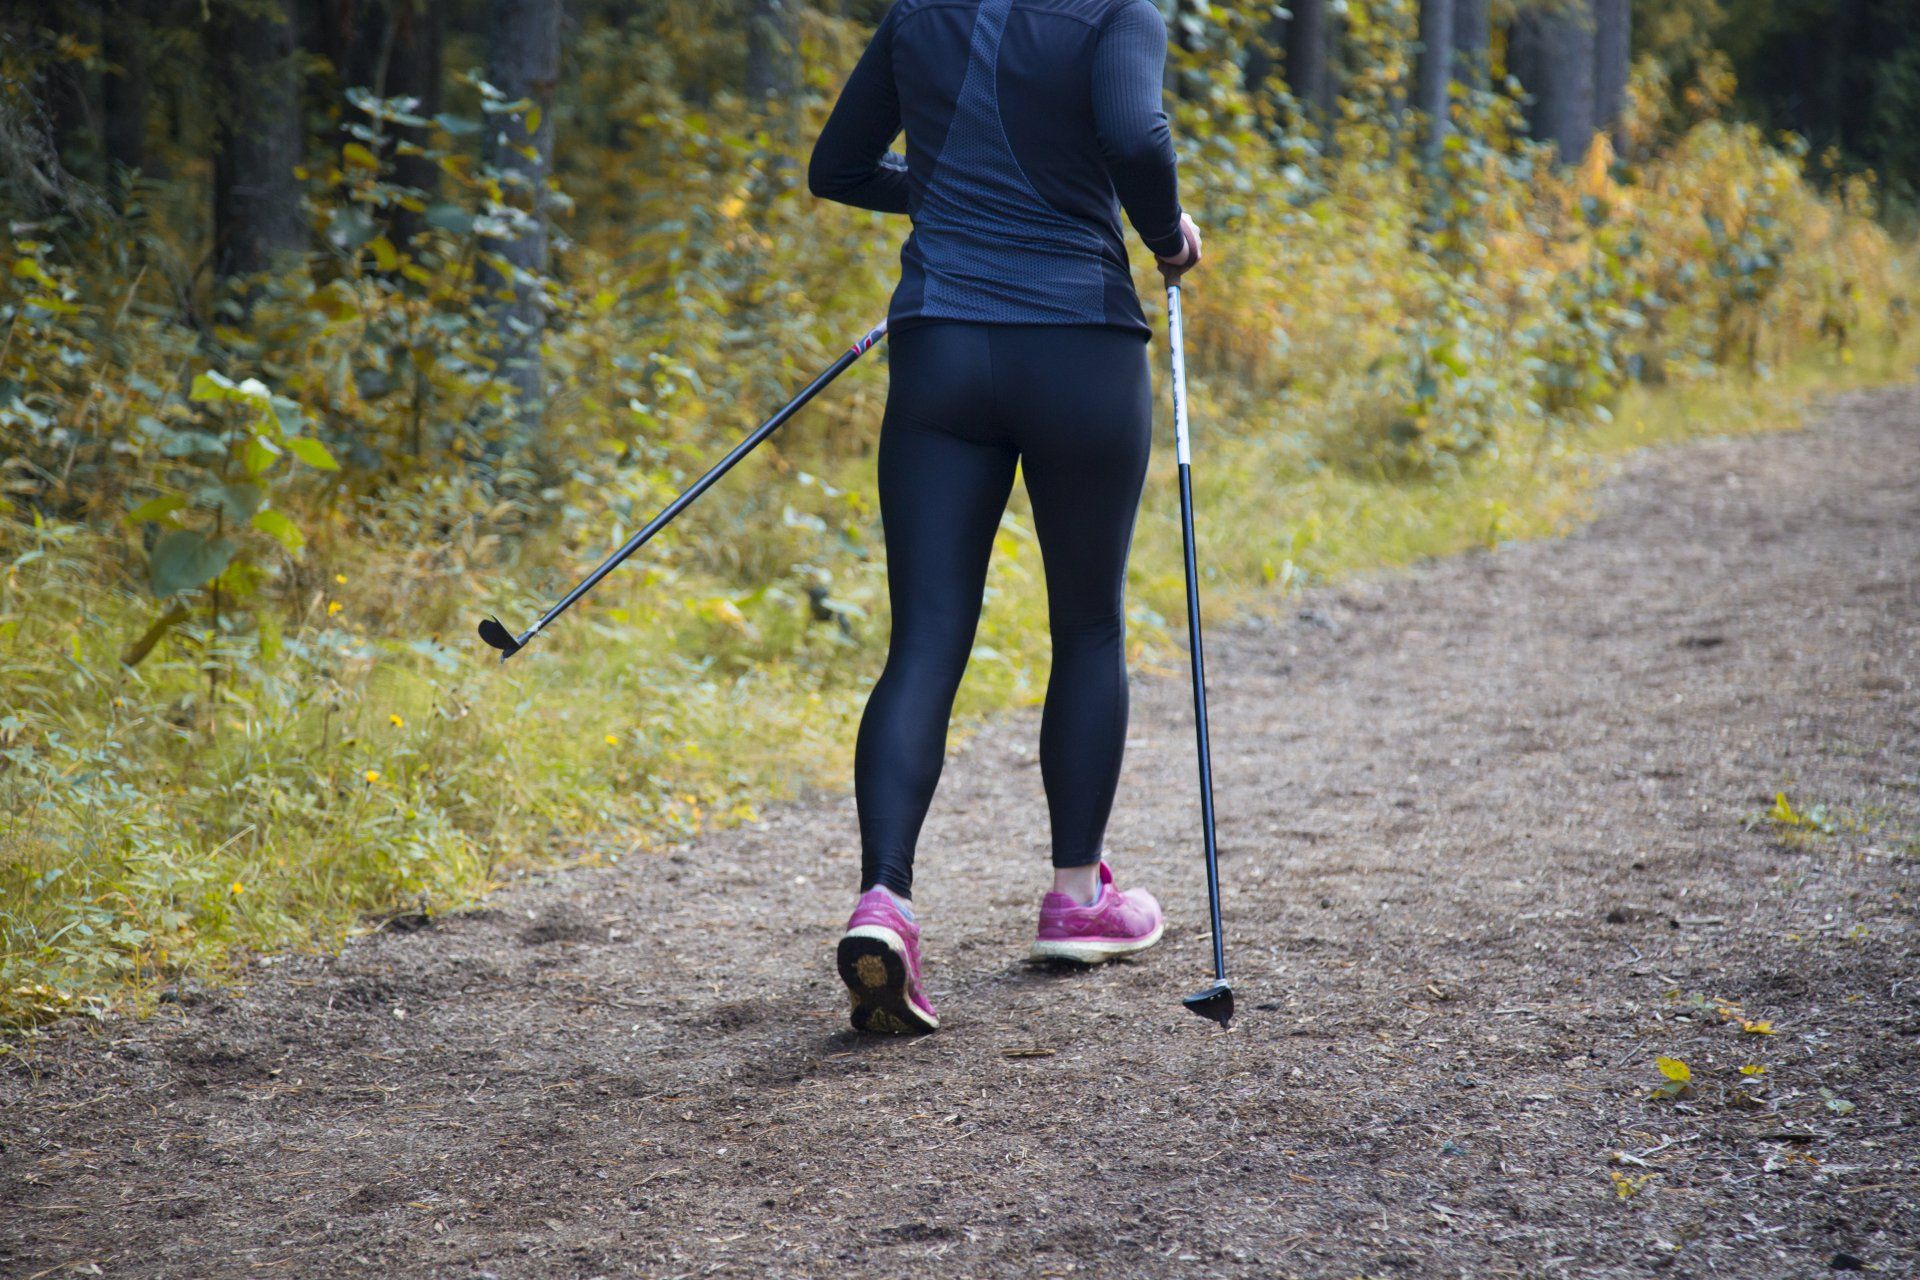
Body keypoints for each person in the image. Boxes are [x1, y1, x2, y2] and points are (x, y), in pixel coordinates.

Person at [809, 0, 1203, 1034]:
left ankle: (884, 902)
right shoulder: (1115, 11)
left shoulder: (919, 13)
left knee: (924, 639)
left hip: (940, 347)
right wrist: (1166, 233)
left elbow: (838, 167)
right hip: (1078, 344)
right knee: (1087, 624)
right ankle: (1078, 897)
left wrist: (951, 198)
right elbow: (1135, 138)